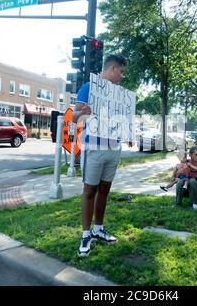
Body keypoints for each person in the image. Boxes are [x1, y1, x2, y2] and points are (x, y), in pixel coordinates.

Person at [72, 54, 128, 258]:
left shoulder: (120, 95)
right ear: (113, 68)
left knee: (105, 189)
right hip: (93, 147)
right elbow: (75, 119)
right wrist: (84, 112)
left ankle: (98, 229)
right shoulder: (88, 88)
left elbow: (123, 119)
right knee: (89, 190)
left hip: (113, 147)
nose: (122, 76)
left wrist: (127, 130)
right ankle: (86, 235)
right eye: (121, 71)